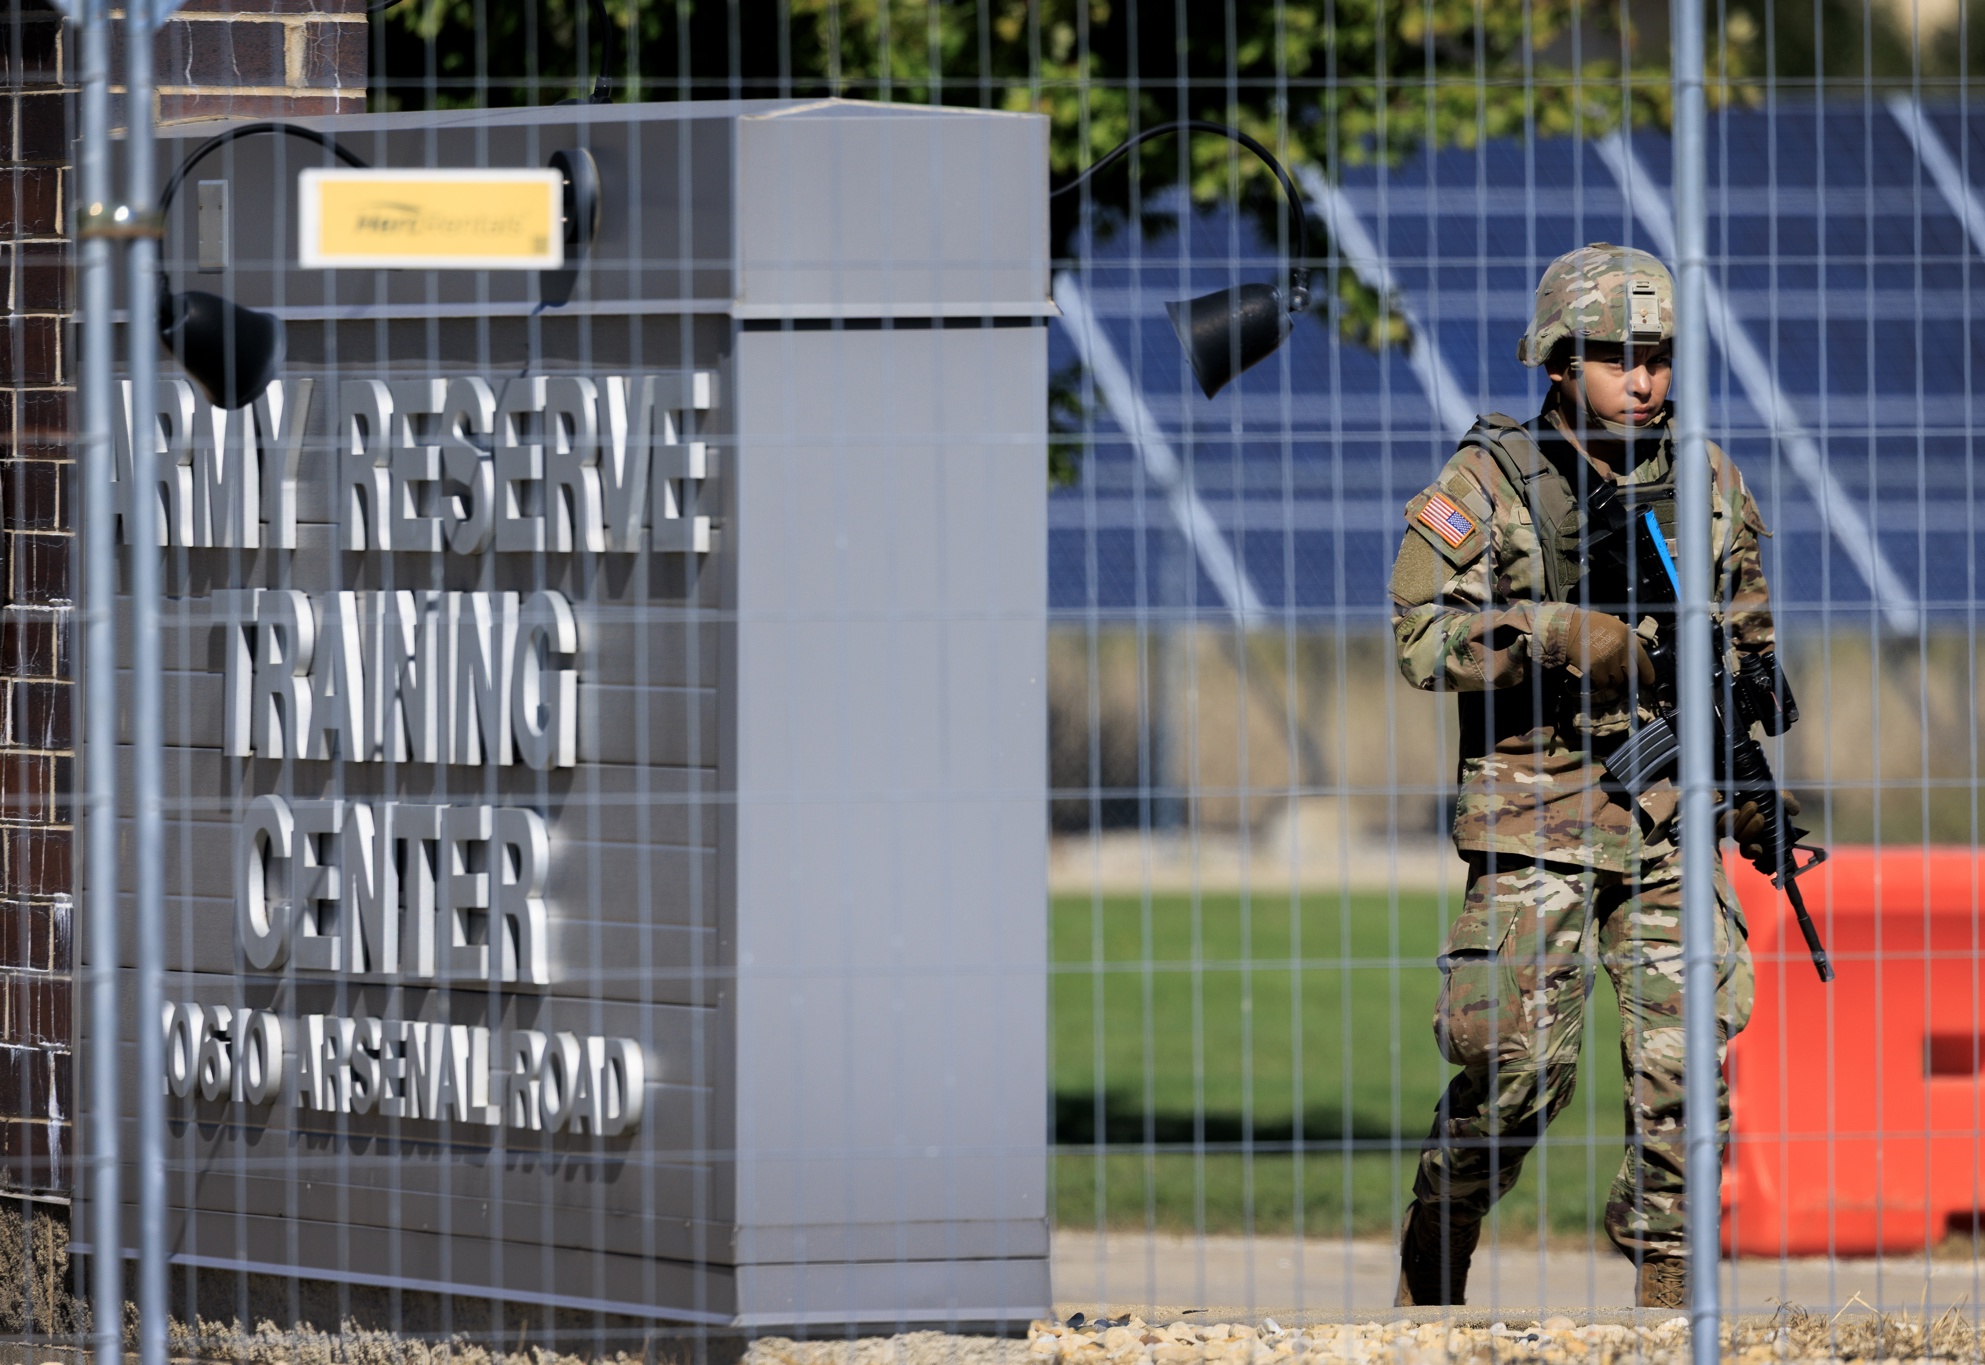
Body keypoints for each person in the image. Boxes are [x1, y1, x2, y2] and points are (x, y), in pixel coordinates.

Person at [1386, 243, 1796, 1309]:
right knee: (1516, 1073)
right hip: (1534, 820)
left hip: (1665, 819)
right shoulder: (1487, 482)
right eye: (1618, 355)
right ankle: (1442, 1223)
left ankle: (1666, 1292)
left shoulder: (1705, 483)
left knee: (1684, 1072)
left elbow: (1743, 647)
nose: (1644, 379)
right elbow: (1422, 643)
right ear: (1558, 360)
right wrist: (1554, 634)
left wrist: (1749, 786)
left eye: (1656, 356)